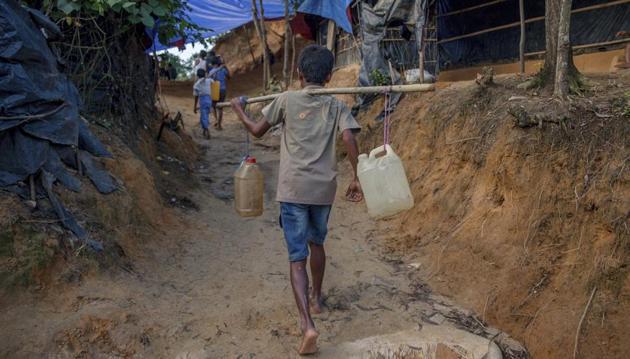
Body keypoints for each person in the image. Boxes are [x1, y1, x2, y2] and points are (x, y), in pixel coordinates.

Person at [230, 45, 363, 355]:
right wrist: (356, 177)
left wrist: (239, 109)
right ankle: (317, 299)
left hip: (293, 191)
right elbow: (349, 138)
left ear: (299, 75)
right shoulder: (335, 105)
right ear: (330, 76)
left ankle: (307, 326)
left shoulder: (286, 100)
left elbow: (257, 130)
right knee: (317, 243)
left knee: (296, 257)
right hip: (323, 190)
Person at [208, 57, 230, 130]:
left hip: (215, 90)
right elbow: (229, 77)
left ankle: (215, 120)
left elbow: (209, 79)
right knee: (220, 108)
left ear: (213, 64)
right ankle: (219, 125)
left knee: (213, 106)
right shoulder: (223, 70)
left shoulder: (211, 71)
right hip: (223, 89)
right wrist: (225, 67)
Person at [193, 68, 214, 139]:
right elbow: (213, 82)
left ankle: (206, 129)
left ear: (197, 75)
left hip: (203, 100)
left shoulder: (196, 84)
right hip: (209, 100)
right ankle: (204, 130)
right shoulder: (209, 80)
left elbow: (196, 97)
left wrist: (195, 106)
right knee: (206, 115)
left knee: (203, 116)